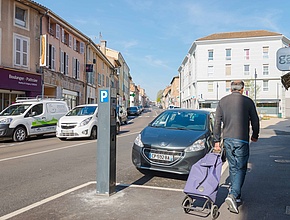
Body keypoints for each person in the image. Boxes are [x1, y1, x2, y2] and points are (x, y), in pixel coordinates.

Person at [213, 80, 260, 214]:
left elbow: (217, 122)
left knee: (233, 167)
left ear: (231, 89)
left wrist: (217, 140)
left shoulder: (222, 101)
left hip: (227, 139)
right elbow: (255, 120)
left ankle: (236, 195)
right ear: (242, 89)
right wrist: (255, 134)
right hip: (241, 140)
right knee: (241, 167)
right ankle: (233, 195)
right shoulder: (248, 101)